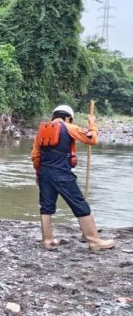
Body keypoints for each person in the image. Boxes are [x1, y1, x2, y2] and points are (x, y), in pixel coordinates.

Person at [31, 105, 115, 251]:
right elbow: (92, 139)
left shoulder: (41, 130)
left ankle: (47, 240)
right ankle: (94, 241)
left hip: (45, 173)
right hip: (62, 174)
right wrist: (92, 124)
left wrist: (38, 174)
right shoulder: (69, 127)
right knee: (80, 204)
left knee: (46, 206)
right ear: (68, 117)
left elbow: (35, 155)